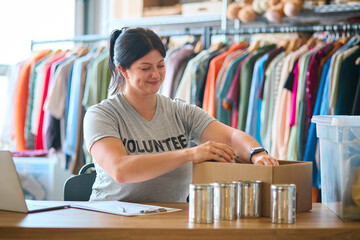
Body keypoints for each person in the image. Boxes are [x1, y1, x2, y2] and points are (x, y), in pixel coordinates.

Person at [83, 27, 278, 202]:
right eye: (145, 68)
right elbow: (121, 170)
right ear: (123, 70)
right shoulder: (101, 115)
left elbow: (231, 136)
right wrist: (190, 154)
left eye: (160, 65)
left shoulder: (180, 111)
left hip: (169, 221)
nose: (156, 75)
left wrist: (256, 153)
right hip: (111, 219)